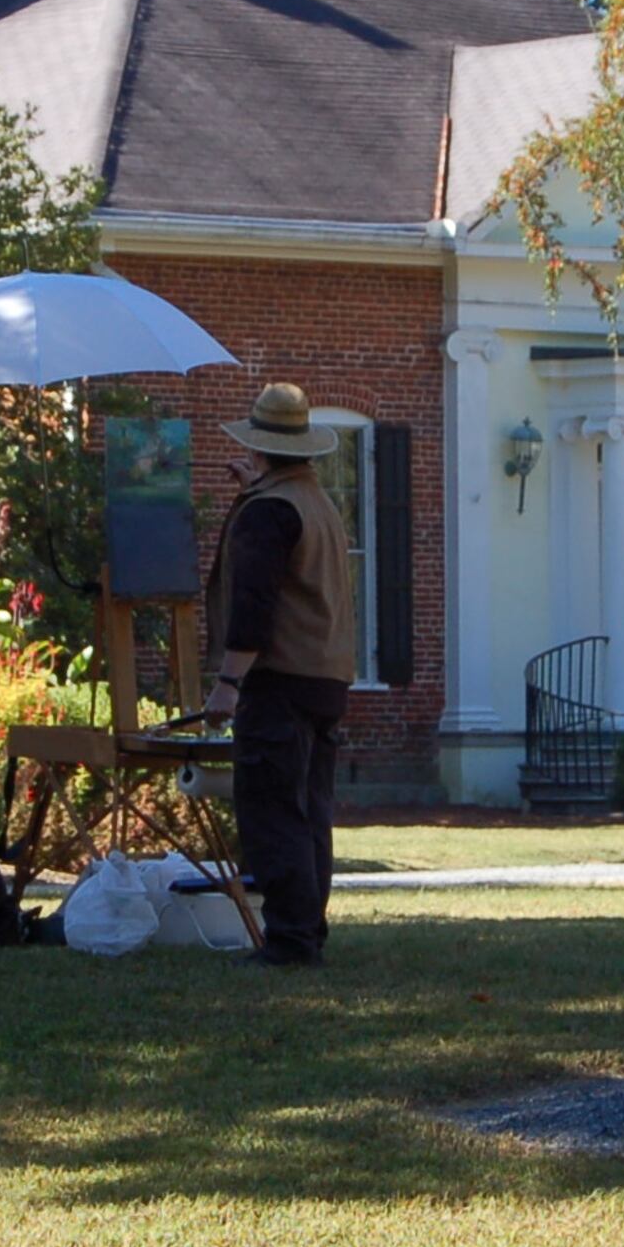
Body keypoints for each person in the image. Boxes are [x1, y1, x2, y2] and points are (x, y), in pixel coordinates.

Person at [200, 382, 360, 968]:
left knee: (271, 810)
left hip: (279, 679)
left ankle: (290, 940)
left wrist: (228, 682)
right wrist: (255, 487)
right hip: (327, 678)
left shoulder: (267, 512)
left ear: (257, 446)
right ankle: (306, 930)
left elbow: (254, 606)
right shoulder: (314, 502)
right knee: (311, 812)